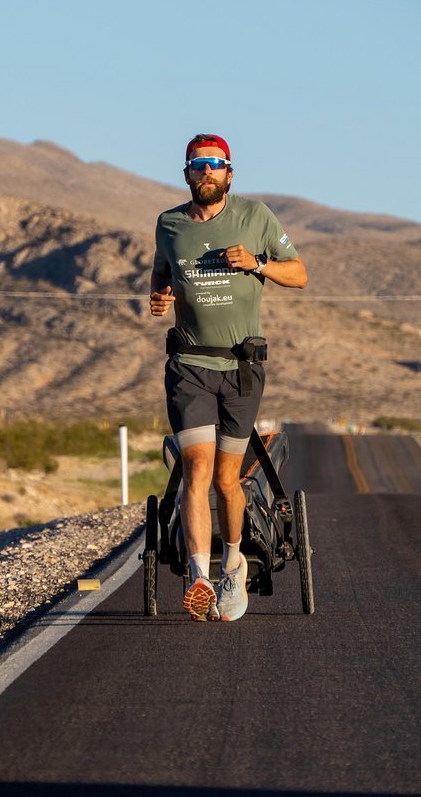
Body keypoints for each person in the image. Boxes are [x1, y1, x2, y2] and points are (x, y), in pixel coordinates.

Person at [149, 133, 307, 621]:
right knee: (195, 469)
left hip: (241, 368)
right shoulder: (169, 224)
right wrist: (160, 298)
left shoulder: (255, 217)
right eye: (198, 165)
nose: (207, 172)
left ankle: (233, 566)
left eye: (215, 164)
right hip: (190, 366)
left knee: (226, 478)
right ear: (187, 174)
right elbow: (161, 274)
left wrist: (258, 263)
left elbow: (299, 274)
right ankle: (199, 576)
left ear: (229, 173)